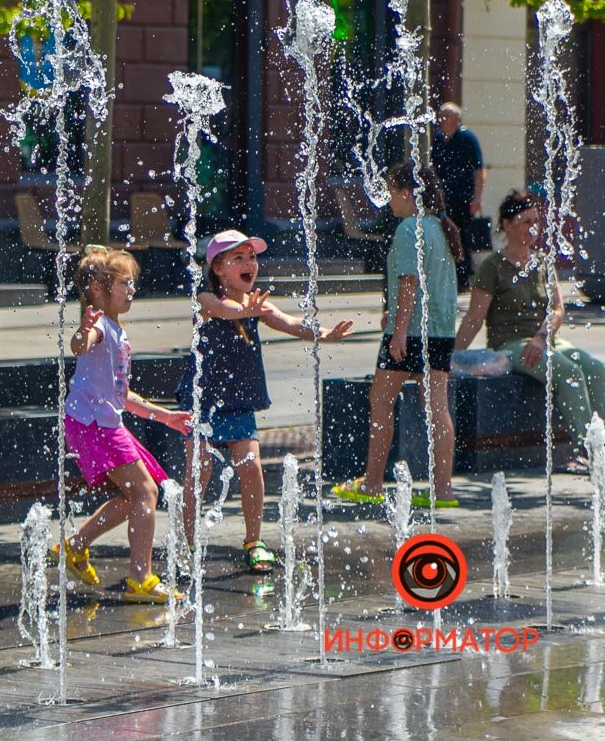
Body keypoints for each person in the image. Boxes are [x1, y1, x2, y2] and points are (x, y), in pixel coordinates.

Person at [178, 230, 353, 573]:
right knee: (200, 471)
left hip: (239, 401)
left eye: (252, 257)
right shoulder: (205, 299)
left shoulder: (254, 304)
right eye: (238, 258)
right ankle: (187, 542)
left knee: (251, 468)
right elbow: (225, 310)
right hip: (203, 400)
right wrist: (249, 308)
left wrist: (324, 335)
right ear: (218, 268)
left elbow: (290, 323)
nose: (249, 264)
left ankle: (254, 540)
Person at [53, 248, 192, 603]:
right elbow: (80, 346)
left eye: (133, 283)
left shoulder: (116, 329)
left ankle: (75, 546)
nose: (132, 290)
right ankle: (140, 580)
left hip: (101, 421)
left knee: (136, 494)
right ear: (98, 288)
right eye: (124, 283)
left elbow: (122, 394)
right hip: (93, 424)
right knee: (146, 492)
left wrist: (165, 416)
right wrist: (81, 333)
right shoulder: (99, 325)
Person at [332, 164, 461, 508]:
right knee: (437, 407)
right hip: (442, 330)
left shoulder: (409, 228)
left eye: (391, 193)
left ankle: (373, 483)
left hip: (412, 332)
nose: (388, 201)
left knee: (380, 400)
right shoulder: (441, 228)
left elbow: (409, 282)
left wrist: (399, 330)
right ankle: (443, 489)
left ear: (407, 193)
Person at [454, 190, 605, 472]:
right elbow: (474, 318)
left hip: (545, 340)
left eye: (537, 221)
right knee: (568, 372)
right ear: (508, 224)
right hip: (510, 345)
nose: (533, 227)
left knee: (596, 368)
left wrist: (541, 337)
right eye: (526, 221)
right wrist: (451, 357)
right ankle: (587, 451)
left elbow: (558, 310)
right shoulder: (492, 267)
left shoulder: (543, 263)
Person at [433, 102, 487, 291]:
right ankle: (448, 276)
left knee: (462, 236)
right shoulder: (438, 139)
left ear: (457, 119)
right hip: (443, 199)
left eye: (447, 116)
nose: (442, 120)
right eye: (441, 116)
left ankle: (463, 279)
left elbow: (479, 171)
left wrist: (477, 198)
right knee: (444, 235)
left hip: (463, 197)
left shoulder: (467, 138)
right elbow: (433, 168)